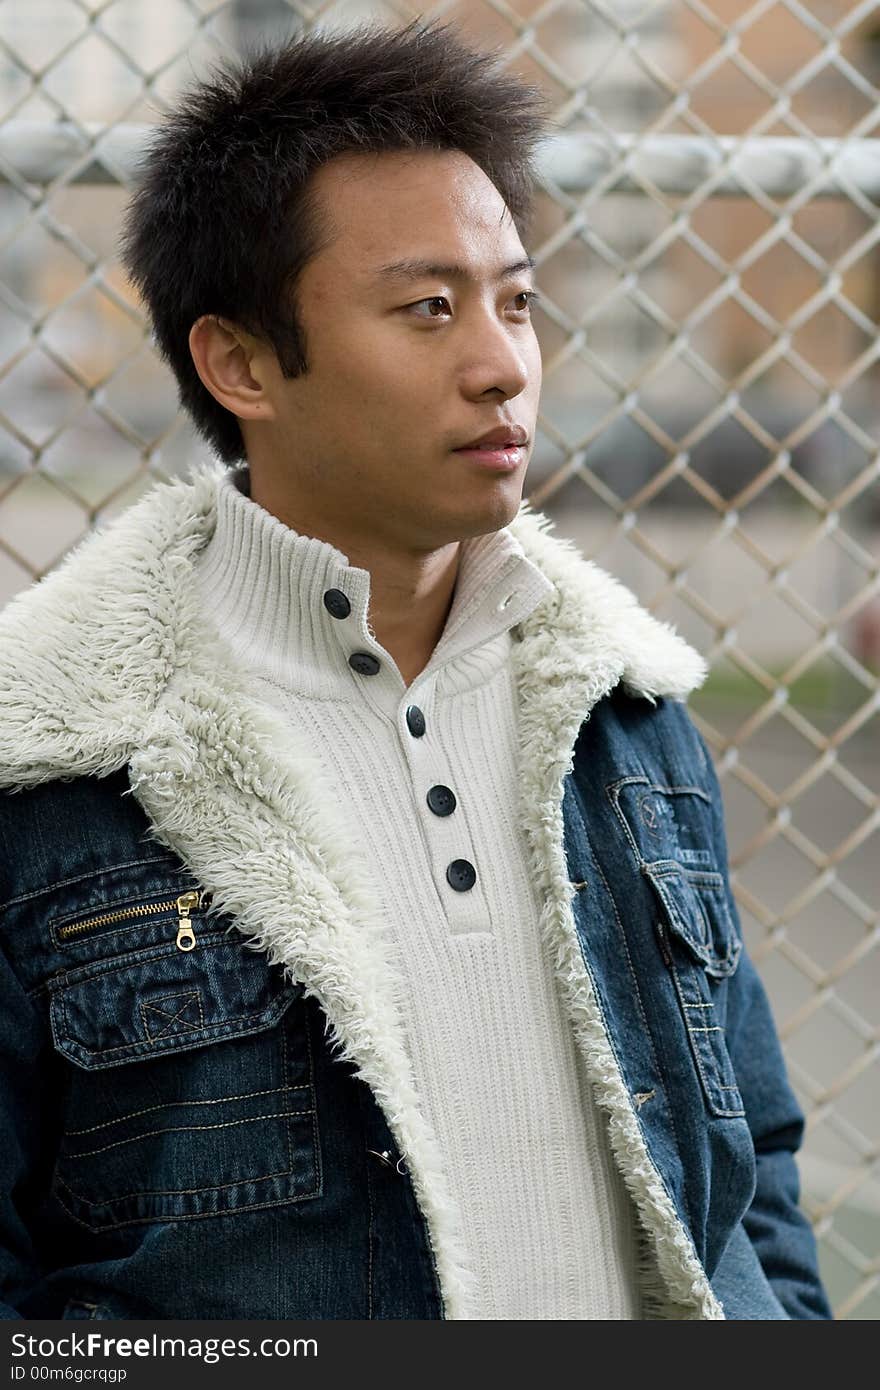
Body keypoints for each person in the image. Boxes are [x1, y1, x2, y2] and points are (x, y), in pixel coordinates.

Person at [0, 18, 832, 1321]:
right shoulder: (57, 762)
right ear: (240, 361)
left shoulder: (620, 712)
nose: (503, 363)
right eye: (428, 307)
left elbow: (756, 1179)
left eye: (516, 300)